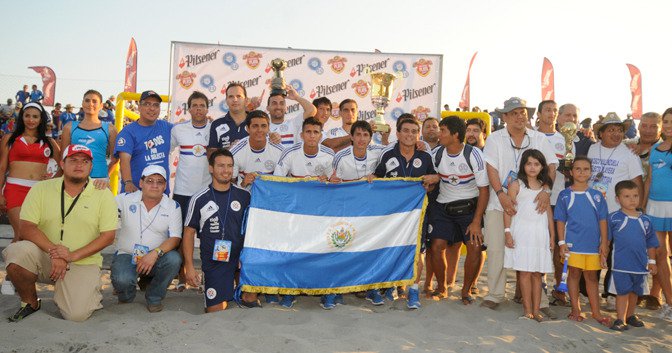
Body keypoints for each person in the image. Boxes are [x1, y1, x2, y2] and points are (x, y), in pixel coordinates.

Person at [2, 144, 117, 322]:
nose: (79, 165)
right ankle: (30, 302)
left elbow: (108, 236)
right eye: (73, 160)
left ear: (91, 167)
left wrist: (70, 256)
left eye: (84, 161)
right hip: (46, 256)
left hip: (82, 262)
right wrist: (55, 252)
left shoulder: (103, 194)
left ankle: (79, 291)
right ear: (62, 164)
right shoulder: (41, 189)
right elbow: (26, 228)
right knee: (16, 252)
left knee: (76, 315)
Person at [482, 97, 558, 311]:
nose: (519, 116)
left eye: (522, 112)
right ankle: (495, 294)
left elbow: (551, 165)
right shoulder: (495, 138)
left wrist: (546, 190)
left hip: (533, 207)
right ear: (504, 117)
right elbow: (492, 169)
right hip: (499, 204)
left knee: (535, 250)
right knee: (497, 249)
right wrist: (501, 194)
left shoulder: (539, 138)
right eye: (514, 113)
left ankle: (539, 301)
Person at [372, 117, 436, 309]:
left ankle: (413, 290)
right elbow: (377, 178)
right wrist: (371, 178)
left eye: (414, 131)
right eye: (406, 131)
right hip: (392, 215)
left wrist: (434, 179)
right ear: (398, 134)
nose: (410, 135)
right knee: (392, 249)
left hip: (417, 214)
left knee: (418, 252)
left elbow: (433, 179)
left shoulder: (425, 157)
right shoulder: (387, 155)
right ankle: (391, 284)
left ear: (418, 134)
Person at [424, 117, 488, 305]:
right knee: (436, 247)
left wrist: (476, 222)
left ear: (455, 135)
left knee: (475, 247)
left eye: (442, 130)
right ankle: (442, 287)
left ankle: (466, 290)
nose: (438, 134)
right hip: (443, 206)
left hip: (469, 208)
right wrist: (433, 180)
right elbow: (435, 177)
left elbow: (484, 190)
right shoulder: (437, 154)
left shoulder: (474, 154)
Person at [183, 148, 255, 312]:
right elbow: (188, 233)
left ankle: (240, 289)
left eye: (230, 166)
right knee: (216, 309)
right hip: (216, 260)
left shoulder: (244, 196)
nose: (226, 170)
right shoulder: (200, 198)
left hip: (241, 259)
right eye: (221, 166)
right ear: (211, 168)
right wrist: (189, 266)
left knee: (249, 300)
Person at [272, 117, 334, 308]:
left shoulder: (330, 155)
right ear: (301, 135)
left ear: (321, 135)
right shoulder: (290, 153)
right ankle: (291, 291)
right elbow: (276, 181)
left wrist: (327, 182)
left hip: (322, 213)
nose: (312, 135)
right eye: (308, 132)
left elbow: (337, 184)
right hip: (296, 212)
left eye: (316, 132)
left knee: (324, 251)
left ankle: (327, 291)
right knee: (295, 252)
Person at [0, 102, 61, 295]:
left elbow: (63, 165)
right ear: (21, 117)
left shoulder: (50, 142)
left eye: (36, 116)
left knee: (30, 235)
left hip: (39, 193)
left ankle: (21, 274)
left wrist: (53, 179)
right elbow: (2, 168)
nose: (31, 120)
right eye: (27, 115)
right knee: (22, 233)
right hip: (14, 189)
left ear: (41, 119)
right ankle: (12, 277)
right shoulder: (10, 138)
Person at [587, 112, 644, 310]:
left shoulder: (629, 153)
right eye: (611, 130)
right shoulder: (592, 149)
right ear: (601, 133)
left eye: (620, 130)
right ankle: (589, 291)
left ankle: (612, 293)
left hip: (617, 213)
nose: (616, 134)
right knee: (593, 251)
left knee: (615, 255)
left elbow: (638, 182)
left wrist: (636, 210)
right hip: (593, 211)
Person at [111, 165, 182, 312]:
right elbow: (102, 205)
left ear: (165, 186)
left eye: (160, 182)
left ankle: (154, 297)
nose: (155, 185)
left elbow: (175, 238)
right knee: (122, 279)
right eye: (150, 181)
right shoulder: (123, 200)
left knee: (174, 259)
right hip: (127, 254)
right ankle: (126, 295)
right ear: (141, 183)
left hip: (155, 257)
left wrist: (155, 253)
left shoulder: (172, 206)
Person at [554, 156, 610, 326]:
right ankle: (576, 309)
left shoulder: (597, 196)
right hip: (573, 245)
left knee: (592, 278)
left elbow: (603, 220)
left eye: (586, 169)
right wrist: (562, 243)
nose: (582, 172)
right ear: (571, 172)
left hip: (592, 245)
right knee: (574, 275)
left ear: (591, 173)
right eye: (578, 169)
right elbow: (560, 221)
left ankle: (596, 312)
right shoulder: (564, 195)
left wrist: (604, 243)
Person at [503, 149, 555, 321]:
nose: (532, 167)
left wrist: (552, 236)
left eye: (536, 164)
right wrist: (508, 233)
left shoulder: (544, 188)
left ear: (542, 167)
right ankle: (527, 310)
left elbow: (548, 214)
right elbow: (508, 210)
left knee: (537, 273)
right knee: (524, 272)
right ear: (523, 165)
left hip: (540, 234)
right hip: (522, 233)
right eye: (529, 163)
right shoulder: (516, 184)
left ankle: (537, 309)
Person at [607, 180, 659, 331]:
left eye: (635, 196)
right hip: (621, 265)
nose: (632, 199)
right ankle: (620, 319)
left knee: (635, 291)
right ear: (618, 199)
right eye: (627, 196)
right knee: (622, 292)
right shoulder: (614, 218)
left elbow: (651, 243)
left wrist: (652, 261)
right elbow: (607, 240)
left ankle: (630, 316)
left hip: (640, 265)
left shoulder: (646, 220)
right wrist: (602, 255)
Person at [643, 108, 672, 318]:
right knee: (660, 255)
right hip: (654, 207)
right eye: (667, 122)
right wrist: (643, 206)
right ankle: (670, 303)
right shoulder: (655, 148)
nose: (669, 126)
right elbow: (649, 179)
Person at [114, 90, 173, 194]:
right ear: (139, 107)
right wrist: (128, 182)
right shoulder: (128, 132)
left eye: (156, 105)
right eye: (147, 104)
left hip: (160, 193)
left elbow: (187, 130)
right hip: (135, 192)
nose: (152, 108)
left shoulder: (166, 127)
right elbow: (124, 160)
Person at [61, 90, 118, 182]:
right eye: (87, 100)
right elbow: (63, 157)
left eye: (94, 101)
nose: (90, 104)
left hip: (99, 179)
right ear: (82, 103)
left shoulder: (110, 129)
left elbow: (115, 159)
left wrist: (105, 176)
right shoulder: (69, 127)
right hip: (74, 178)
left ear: (101, 106)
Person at [231, 110, 284, 189]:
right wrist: (243, 184)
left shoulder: (281, 151)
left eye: (263, 126)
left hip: (273, 197)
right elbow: (230, 183)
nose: (259, 130)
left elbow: (288, 182)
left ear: (268, 128)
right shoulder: (235, 153)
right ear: (247, 129)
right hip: (246, 196)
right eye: (255, 126)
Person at [208, 83, 249, 152]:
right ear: (226, 100)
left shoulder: (255, 122)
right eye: (231, 96)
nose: (235, 99)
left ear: (246, 100)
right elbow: (211, 155)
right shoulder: (217, 124)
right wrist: (229, 150)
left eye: (239, 96)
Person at [625, 112, 663, 182]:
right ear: (638, 127)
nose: (648, 131)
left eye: (653, 126)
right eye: (644, 126)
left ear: (661, 129)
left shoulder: (667, 151)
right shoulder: (627, 144)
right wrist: (625, 147)